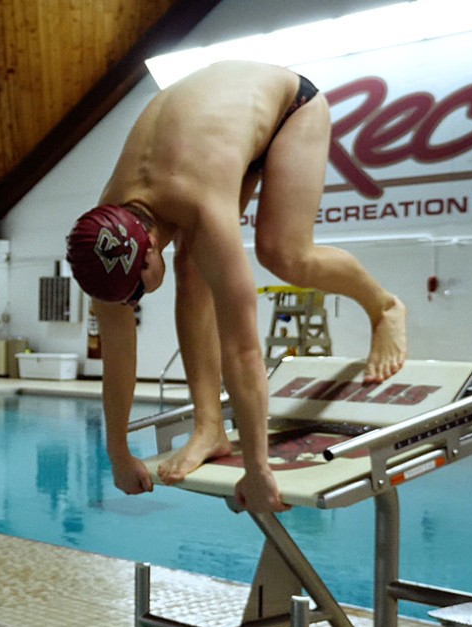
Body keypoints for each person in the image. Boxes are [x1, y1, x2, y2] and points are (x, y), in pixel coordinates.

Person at [65, 60, 407, 514]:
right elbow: (117, 348)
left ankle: (383, 307)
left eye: (136, 295)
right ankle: (209, 427)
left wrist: (259, 468)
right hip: (209, 129)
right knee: (191, 269)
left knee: (283, 254)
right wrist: (117, 453)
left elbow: (244, 350)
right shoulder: (105, 235)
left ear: (147, 253)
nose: (132, 304)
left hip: (289, 107)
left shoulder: (202, 208)